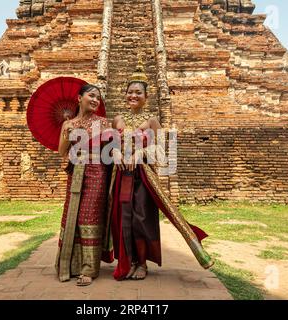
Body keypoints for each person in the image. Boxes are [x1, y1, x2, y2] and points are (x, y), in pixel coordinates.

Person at [108, 60, 214, 281]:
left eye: (138, 92)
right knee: (122, 218)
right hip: (121, 176)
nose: (133, 96)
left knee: (141, 218)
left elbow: (162, 150)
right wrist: (115, 153)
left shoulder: (152, 120)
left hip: (143, 176)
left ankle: (142, 263)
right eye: (130, 92)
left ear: (146, 97)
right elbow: (109, 145)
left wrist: (140, 153)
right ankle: (128, 262)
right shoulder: (117, 119)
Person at [55, 84, 113, 286]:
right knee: (72, 215)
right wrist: (67, 133)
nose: (96, 100)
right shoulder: (68, 124)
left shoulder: (104, 123)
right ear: (79, 98)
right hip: (75, 172)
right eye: (92, 95)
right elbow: (62, 152)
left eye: (99, 98)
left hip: (97, 172)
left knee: (89, 216)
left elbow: (113, 150)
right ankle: (69, 265)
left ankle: (89, 269)